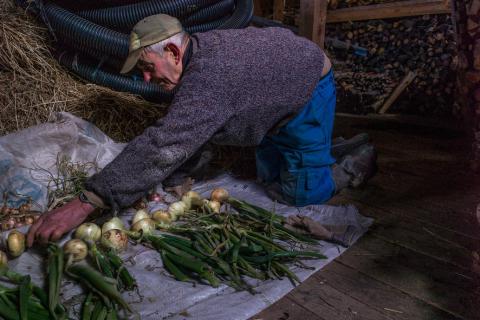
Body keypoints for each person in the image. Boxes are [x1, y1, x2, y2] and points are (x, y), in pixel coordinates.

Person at [27, 14, 376, 247]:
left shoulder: (210, 78)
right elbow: (197, 128)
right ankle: (328, 149)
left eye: (148, 68)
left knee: (297, 195)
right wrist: (178, 175)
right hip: (274, 91)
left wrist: (88, 201)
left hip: (307, 86)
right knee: (269, 178)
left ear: (173, 51)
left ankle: (355, 160)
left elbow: (167, 142)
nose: (147, 80)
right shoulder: (197, 58)